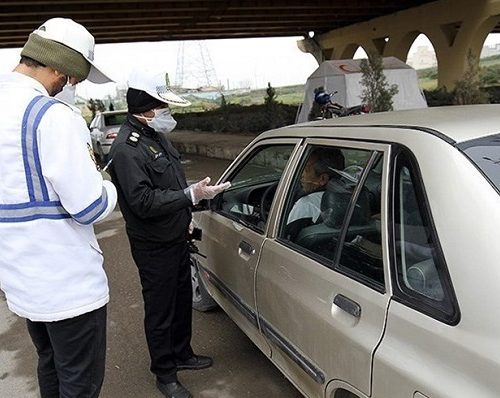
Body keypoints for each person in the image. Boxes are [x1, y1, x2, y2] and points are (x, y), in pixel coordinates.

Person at [0, 18, 117, 398]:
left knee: (50, 364)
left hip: (23, 283)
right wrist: (108, 187)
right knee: (80, 383)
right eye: (70, 78)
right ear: (55, 66)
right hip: (69, 288)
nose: (69, 87)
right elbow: (89, 207)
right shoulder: (51, 117)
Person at [108, 67, 230, 398]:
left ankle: (182, 354)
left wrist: (186, 213)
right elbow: (143, 201)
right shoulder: (127, 148)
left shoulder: (155, 135)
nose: (168, 113)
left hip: (176, 234)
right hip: (153, 245)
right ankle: (165, 373)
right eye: (163, 107)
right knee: (161, 309)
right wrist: (190, 196)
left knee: (180, 300)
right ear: (145, 109)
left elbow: (171, 181)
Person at [287, 147, 345, 225]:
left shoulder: (306, 205)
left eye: (305, 170)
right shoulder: (352, 198)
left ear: (322, 179)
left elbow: (287, 235)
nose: (300, 175)